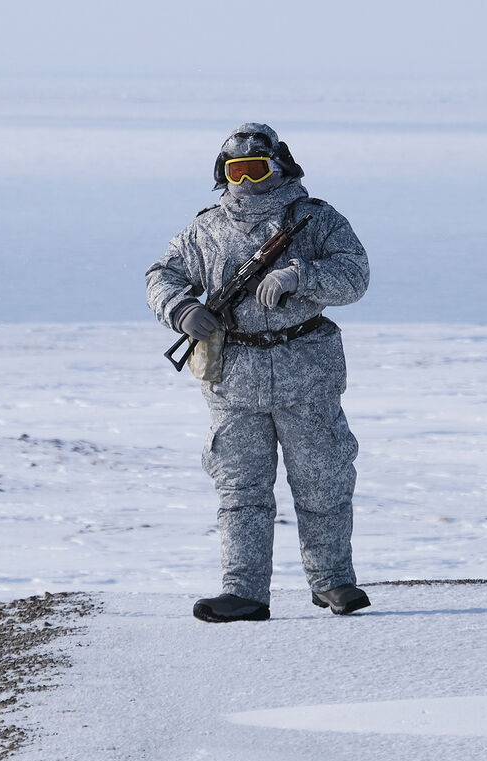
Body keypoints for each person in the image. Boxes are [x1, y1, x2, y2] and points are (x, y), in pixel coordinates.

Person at [146, 122, 371, 622]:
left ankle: (333, 582)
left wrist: (301, 276)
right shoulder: (205, 230)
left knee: (324, 478)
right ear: (222, 174)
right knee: (240, 487)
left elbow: (356, 275)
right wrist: (181, 309)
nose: (246, 183)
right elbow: (160, 275)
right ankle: (243, 591)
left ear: (280, 168)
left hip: (305, 368)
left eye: (257, 169)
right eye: (236, 171)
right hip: (234, 375)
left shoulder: (315, 220)